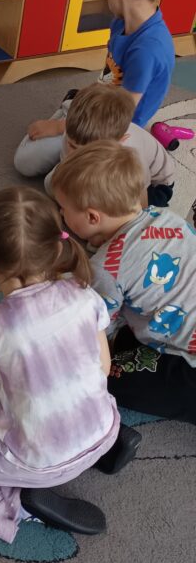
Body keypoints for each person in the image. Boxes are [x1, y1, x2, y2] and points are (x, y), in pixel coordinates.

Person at [0, 187, 141, 544]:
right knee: (35, 403)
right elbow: (102, 365)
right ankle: (103, 444)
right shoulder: (83, 292)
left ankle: (17, 507)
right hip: (105, 426)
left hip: (39, 461)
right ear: (57, 246)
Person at [52, 141, 196, 427]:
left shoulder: (104, 269)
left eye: (63, 208)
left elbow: (93, 333)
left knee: (104, 375)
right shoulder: (167, 217)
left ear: (92, 217)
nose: (60, 215)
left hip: (189, 368)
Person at [14, 0, 176, 179]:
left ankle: (71, 131)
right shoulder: (121, 23)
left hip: (114, 129)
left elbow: (118, 116)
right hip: (95, 110)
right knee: (26, 161)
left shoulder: (147, 50)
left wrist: (58, 127)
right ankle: (72, 112)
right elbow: (108, 78)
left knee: (51, 180)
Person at [43, 83, 174, 207]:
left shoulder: (130, 157)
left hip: (153, 186)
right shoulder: (73, 132)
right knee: (54, 186)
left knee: (114, 207)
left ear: (120, 141)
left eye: (90, 152)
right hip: (102, 166)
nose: (77, 156)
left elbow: (138, 194)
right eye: (73, 146)